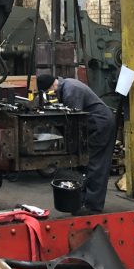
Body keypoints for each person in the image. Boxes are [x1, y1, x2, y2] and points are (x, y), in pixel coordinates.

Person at [37, 73, 116, 215]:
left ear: (52, 85)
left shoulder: (70, 90)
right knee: (90, 163)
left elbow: (74, 119)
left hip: (101, 126)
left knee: (96, 164)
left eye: (49, 91)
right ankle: (86, 200)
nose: (51, 94)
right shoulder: (66, 86)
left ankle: (93, 206)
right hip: (94, 126)